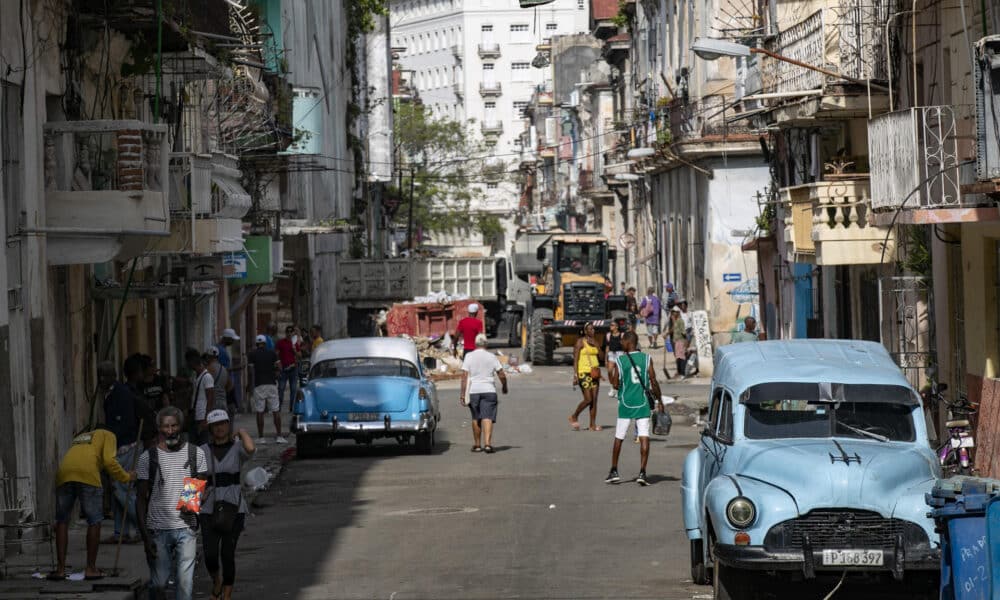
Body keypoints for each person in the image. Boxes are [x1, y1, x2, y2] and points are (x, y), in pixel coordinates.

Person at [137, 406, 208, 600]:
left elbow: (199, 484)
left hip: (186, 528)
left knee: (185, 586)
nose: (170, 430)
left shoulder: (195, 454)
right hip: (157, 530)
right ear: (159, 429)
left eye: (174, 425)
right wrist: (145, 537)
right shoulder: (148, 458)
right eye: (166, 426)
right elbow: (141, 499)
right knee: (158, 584)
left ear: (181, 427)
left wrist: (190, 502)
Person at [50, 426, 134, 581]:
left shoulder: (80, 438)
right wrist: (126, 477)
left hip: (64, 474)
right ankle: (90, 569)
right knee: (94, 521)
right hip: (87, 474)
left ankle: (60, 570)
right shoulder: (108, 434)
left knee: (62, 521)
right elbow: (109, 461)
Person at [199, 410, 255, 600]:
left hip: (234, 508)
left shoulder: (237, 448)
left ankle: (227, 594)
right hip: (208, 508)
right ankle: (216, 580)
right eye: (216, 425)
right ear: (210, 428)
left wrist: (240, 431)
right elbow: (195, 478)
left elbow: (251, 448)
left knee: (227, 553)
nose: (220, 428)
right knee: (210, 554)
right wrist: (188, 507)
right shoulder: (202, 451)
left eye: (223, 423)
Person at [606, 331, 662, 485]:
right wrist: (660, 400)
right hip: (642, 402)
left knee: (619, 436)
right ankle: (643, 473)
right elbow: (654, 381)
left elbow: (615, 384)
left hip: (625, 402)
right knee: (644, 436)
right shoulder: (646, 358)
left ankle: (614, 471)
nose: (621, 343)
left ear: (629, 342)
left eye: (623, 341)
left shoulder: (621, 360)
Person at [460, 334, 508, 453]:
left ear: (475, 344)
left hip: (474, 391)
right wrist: (504, 386)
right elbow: (501, 373)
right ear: (486, 344)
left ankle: (477, 445)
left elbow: (464, 376)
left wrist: (462, 394)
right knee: (487, 417)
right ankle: (487, 444)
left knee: (476, 417)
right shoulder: (491, 356)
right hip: (489, 390)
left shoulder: (469, 356)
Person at [248, 334, 284, 444]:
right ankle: (279, 436)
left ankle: (261, 437)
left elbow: (250, 372)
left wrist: (250, 386)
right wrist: (276, 373)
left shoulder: (252, 354)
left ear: (256, 344)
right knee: (275, 410)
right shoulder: (272, 353)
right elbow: (279, 367)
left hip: (259, 385)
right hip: (271, 383)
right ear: (265, 343)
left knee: (260, 411)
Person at [569, 322, 602, 431]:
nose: (593, 331)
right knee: (588, 399)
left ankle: (592, 425)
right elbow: (575, 359)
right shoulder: (580, 342)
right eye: (590, 329)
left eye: (593, 329)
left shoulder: (595, 342)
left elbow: (602, 357)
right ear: (585, 331)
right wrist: (575, 375)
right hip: (584, 373)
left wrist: (597, 346)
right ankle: (574, 416)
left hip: (595, 372)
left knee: (594, 400)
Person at [185, 348, 214, 443]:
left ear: (192, 361)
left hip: (202, 417)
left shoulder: (207, 377)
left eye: (188, 362)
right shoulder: (195, 376)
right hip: (195, 415)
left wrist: (206, 419)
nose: (187, 365)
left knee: (202, 443)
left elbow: (210, 399)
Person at [276, 326, 301, 414]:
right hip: (283, 369)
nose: (290, 333)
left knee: (293, 389)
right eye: (288, 331)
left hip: (293, 369)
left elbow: (299, 355)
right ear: (286, 333)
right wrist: (278, 365)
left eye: (291, 332)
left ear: (293, 333)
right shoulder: (280, 343)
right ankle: (278, 407)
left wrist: (295, 351)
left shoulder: (294, 343)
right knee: (281, 388)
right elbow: (276, 354)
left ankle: (292, 408)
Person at [204, 348, 231, 413]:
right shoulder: (224, 369)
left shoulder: (208, 369)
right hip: (223, 402)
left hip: (213, 403)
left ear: (208, 357)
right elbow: (230, 386)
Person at [604, 322, 624, 397]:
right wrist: (605, 359)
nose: (610, 326)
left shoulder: (622, 335)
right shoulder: (608, 335)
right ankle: (612, 386)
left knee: (617, 373)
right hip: (611, 354)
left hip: (620, 354)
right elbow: (607, 347)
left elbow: (625, 345)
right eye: (610, 325)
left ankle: (617, 389)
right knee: (609, 371)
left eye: (612, 325)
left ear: (617, 327)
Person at [669, 307, 688, 378]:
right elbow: (673, 329)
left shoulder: (680, 321)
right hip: (676, 341)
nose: (674, 313)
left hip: (680, 341)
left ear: (678, 313)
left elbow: (683, 332)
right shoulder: (676, 321)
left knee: (681, 357)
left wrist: (686, 342)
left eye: (675, 312)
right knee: (678, 357)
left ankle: (682, 373)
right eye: (673, 312)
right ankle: (679, 372)